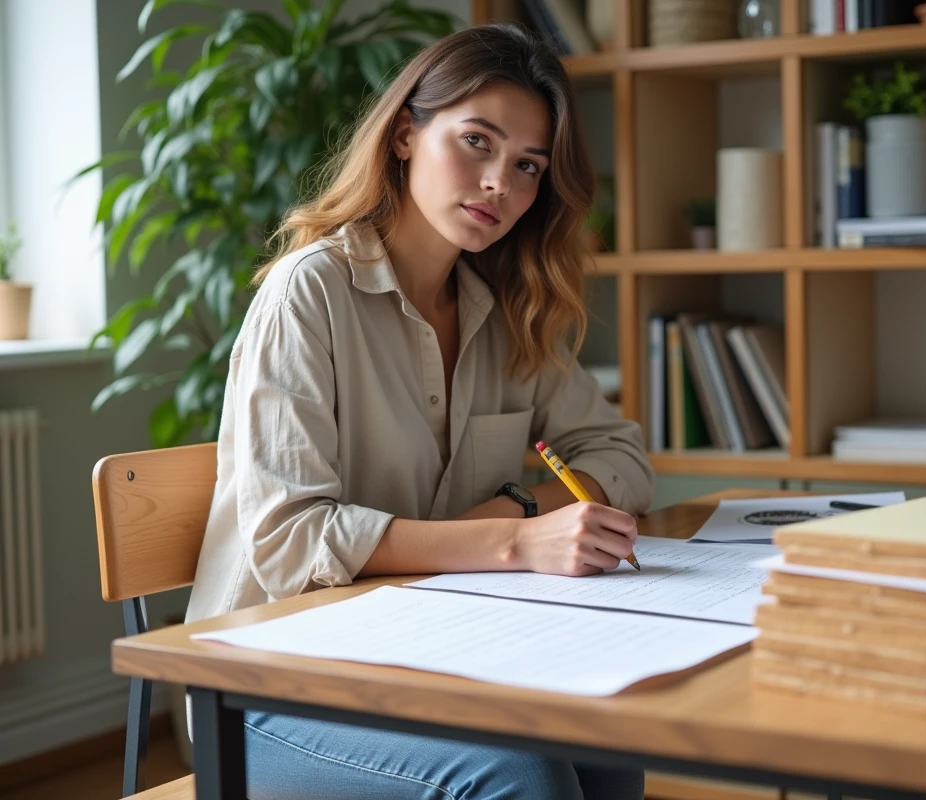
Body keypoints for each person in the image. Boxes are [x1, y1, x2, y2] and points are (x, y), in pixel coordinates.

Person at [184, 21, 655, 800]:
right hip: (266, 685)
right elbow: (288, 540)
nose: (501, 181)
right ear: (406, 133)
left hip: (427, 648)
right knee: (526, 780)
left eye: (527, 165)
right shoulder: (310, 294)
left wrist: (513, 505)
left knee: (609, 748)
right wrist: (512, 540)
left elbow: (622, 456)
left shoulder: (507, 313)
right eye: (478, 141)